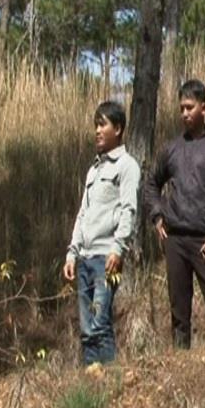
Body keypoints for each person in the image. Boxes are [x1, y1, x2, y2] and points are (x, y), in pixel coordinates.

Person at [143, 80, 205, 348]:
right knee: (178, 309)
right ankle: (181, 364)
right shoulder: (171, 149)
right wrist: (158, 215)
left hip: (204, 241)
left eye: (190, 107)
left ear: (203, 108)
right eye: (181, 108)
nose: (184, 113)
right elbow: (151, 183)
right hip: (175, 240)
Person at [64, 101, 141, 366]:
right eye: (95, 125)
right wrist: (72, 253)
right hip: (85, 257)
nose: (97, 130)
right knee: (86, 331)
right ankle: (91, 384)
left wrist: (118, 249)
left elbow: (129, 210)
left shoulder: (126, 166)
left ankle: (109, 382)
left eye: (103, 124)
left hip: (106, 258)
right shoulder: (94, 170)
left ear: (117, 128)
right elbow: (82, 214)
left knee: (100, 323)